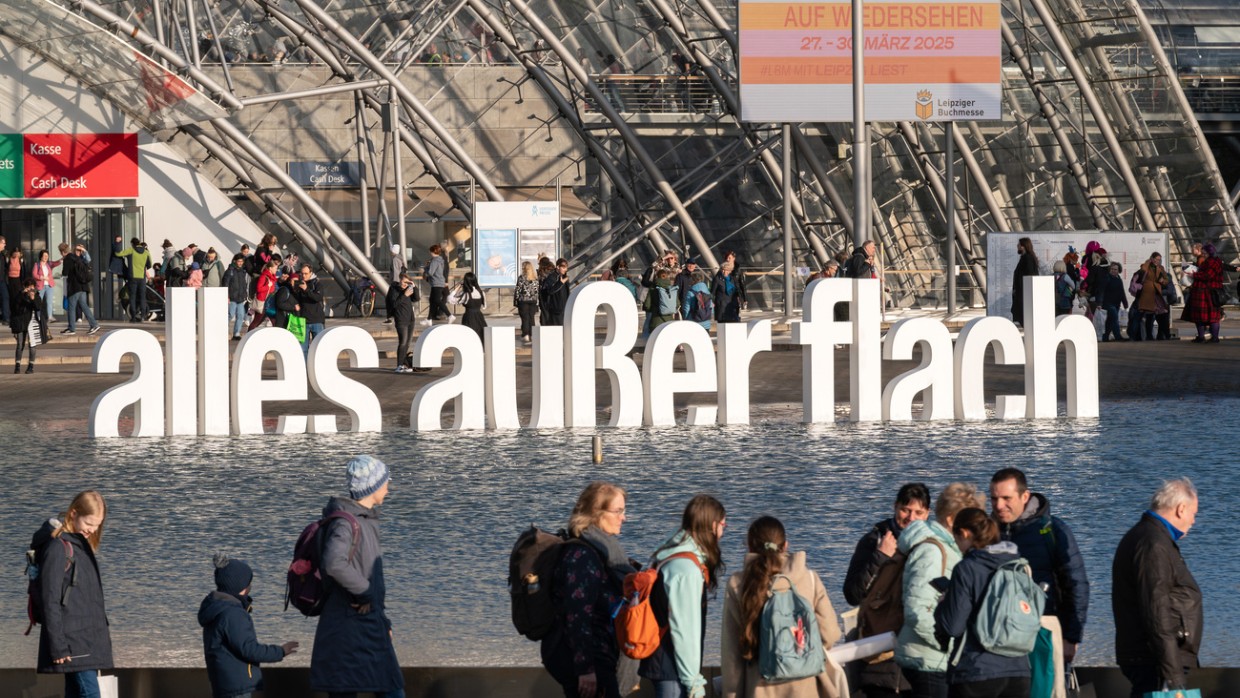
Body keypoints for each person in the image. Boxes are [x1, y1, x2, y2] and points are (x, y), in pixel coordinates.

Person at [310, 455, 405, 698]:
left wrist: (383, 622)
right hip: (349, 627)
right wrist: (365, 592)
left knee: (388, 687)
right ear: (372, 487)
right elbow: (334, 563)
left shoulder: (364, 519)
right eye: (385, 480)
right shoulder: (347, 523)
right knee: (388, 689)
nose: (388, 486)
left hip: (365, 623)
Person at [989, 468, 1088, 698]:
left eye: (1006, 498)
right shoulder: (987, 532)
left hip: (1043, 631)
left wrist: (1072, 638)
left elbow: (1077, 584)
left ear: (1025, 496)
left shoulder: (1053, 530)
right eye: (994, 498)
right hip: (997, 640)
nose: (999, 505)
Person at [720, 515, 843, 698]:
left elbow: (732, 656)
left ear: (749, 546)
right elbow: (831, 634)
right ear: (785, 545)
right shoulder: (809, 579)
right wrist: (798, 649)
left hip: (759, 689)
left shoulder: (738, 584)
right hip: (805, 687)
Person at [541, 482, 636, 698]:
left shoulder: (601, 551)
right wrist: (585, 670)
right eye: (618, 511)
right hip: (588, 659)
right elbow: (578, 615)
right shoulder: (582, 557)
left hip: (598, 654)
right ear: (596, 513)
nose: (624, 517)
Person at [1111, 478, 1201, 697]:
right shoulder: (1153, 544)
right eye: (1194, 514)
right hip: (1154, 659)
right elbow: (1156, 612)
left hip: (1154, 657)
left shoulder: (1151, 537)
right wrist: (1174, 675)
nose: (1193, 521)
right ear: (1181, 509)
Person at [896, 483, 985, 698]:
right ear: (952, 520)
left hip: (936, 660)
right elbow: (917, 610)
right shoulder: (933, 552)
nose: (976, 531)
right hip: (928, 661)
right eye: (972, 523)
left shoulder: (948, 549)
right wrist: (950, 645)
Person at [843, 483, 931, 697]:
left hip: (917, 661)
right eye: (905, 510)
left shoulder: (931, 546)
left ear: (927, 514)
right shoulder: (874, 541)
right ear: (895, 507)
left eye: (918, 512)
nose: (911, 518)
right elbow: (852, 595)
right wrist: (879, 557)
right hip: (878, 662)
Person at [932, 508, 1030, 698]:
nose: (957, 545)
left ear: (965, 534)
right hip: (1019, 670)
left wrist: (944, 603)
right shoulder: (1017, 565)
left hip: (977, 671)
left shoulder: (967, 568)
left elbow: (953, 627)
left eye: (956, 538)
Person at [639, 494, 727, 698]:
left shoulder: (671, 552)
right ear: (712, 526)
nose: (723, 531)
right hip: (672, 668)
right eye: (723, 525)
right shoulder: (685, 570)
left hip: (665, 662)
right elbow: (684, 629)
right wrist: (693, 682)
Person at [33, 490, 113, 698]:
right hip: (73, 643)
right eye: (89, 523)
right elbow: (49, 599)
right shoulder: (59, 548)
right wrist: (58, 646)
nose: (93, 530)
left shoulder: (78, 545)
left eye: (97, 525)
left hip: (85, 641)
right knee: (90, 694)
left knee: (77, 693)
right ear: (73, 514)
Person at [199, 554, 298, 698]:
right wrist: (280, 652)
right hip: (236, 686)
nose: (250, 587)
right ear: (241, 587)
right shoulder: (233, 614)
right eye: (248, 584)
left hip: (223, 683)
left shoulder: (217, 608)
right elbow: (249, 649)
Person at [1181, 242, 1224, 342]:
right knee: (1213, 316)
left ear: (1209, 252)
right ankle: (1214, 337)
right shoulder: (1216, 261)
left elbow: (1207, 276)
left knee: (1201, 316)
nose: (1203, 254)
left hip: (1205, 293)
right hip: (1211, 292)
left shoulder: (1211, 262)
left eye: (1205, 252)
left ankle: (1203, 337)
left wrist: (1194, 275)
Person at [60, 243, 100, 336]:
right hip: (83, 285)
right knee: (84, 305)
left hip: (75, 286)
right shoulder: (77, 258)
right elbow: (87, 261)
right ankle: (94, 324)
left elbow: (65, 272)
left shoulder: (68, 259)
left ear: (62, 252)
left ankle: (71, 328)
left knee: (71, 307)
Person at [113, 236, 152, 322]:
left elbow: (118, 254)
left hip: (132, 277)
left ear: (132, 244)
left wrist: (117, 243)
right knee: (142, 297)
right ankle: (142, 316)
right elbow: (150, 265)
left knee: (133, 297)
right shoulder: (146, 252)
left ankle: (133, 317)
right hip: (142, 278)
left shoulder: (131, 250)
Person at [1131, 252, 1168, 341]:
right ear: (1152, 258)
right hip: (1146, 294)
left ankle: (1150, 336)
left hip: (1156, 294)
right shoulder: (1146, 265)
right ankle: (1135, 336)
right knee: (1140, 316)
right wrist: (1148, 262)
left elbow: (1166, 281)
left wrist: (1162, 280)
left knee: (1152, 317)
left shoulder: (1161, 268)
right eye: (1156, 259)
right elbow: (1143, 270)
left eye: (1159, 260)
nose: (1157, 261)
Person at [10, 279, 43, 374]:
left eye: (32, 286)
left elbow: (38, 307)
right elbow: (15, 307)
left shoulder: (37, 295)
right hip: (21, 322)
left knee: (32, 345)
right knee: (20, 344)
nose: (30, 289)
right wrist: (21, 294)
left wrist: (32, 299)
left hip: (32, 323)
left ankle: (31, 366)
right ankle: (17, 365)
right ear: (25, 287)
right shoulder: (19, 295)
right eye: (28, 287)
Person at [387, 272, 417, 373]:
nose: (405, 284)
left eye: (407, 282)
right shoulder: (394, 289)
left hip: (411, 319)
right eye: (403, 282)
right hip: (401, 320)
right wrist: (404, 295)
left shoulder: (408, 289)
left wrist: (414, 288)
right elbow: (394, 304)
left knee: (408, 343)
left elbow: (416, 298)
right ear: (400, 280)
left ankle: (404, 364)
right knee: (403, 342)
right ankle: (399, 365)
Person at [293, 264, 326, 353]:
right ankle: (304, 366)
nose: (303, 276)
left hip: (316, 320)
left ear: (311, 273)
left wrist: (306, 289)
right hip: (303, 321)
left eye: (306, 274)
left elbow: (317, 298)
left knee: (319, 348)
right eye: (302, 274)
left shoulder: (317, 284)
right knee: (302, 349)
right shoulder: (299, 284)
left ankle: (317, 366)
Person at [1011, 237, 1039, 327]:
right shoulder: (1025, 258)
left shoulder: (1027, 259)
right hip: (1022, 293)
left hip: (1023, 294)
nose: (1017, 246)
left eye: (1019, 245)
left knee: (1020, 314)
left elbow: (1030, 275)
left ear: (1024, 246)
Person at [642, 269, 678, 339]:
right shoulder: (671, 289)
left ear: (657, 277)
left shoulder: (653, 289)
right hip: (669, 320)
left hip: (656, 320)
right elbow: (677, 303)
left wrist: (652, 309)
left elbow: (647, 305)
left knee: (656, 341)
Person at [222, 254, 250, 340]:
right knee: (230, 315)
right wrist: (227, 296)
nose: (240, 263)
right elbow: (225, 283)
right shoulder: (230, 271)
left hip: (240, 298)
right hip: (232, 297)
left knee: (241, 315)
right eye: (239, 261)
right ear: (235, 261)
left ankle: (236, 333)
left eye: (242, 261)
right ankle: (223, 331)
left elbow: (243, 284)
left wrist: (245, 294)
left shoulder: (242, 271)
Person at [1099, 262, 1129, 342]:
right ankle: (1118, 336)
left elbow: (1122, 292)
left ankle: (1105, 337)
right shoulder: (1106, 278)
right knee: (1115, 318)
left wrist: (1125, 303)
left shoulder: (1119, 279)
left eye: (1115, 269)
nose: (1113, 271)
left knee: (1110, 320)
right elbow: (1101, 291)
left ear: (1118, 270)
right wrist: (1099, 303)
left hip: (1116, 303)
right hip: (1108, 303)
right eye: (1112, 269)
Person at [423, 243, 451, 326]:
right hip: (438, 282)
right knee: (432, 300)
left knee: (436, 300)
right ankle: (429, 319)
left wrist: (426, 267)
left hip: (437, 283)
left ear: (433, 251)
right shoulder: (440, 259)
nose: (429, 253)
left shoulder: (435, 260)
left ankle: (449, 315)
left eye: (430, 252)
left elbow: (431, 272)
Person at [248, 260, 279, 331]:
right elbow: (259, 289)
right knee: (256, 322)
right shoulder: (264, 277)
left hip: (269, 303)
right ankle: (248, 335)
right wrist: (268, 286)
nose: (276, 270)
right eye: (275, 268)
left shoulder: (272, 277)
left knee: (274, 321)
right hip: (263, 303)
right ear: (270, 268)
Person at [32, 250, 61, 323]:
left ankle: (50, 317)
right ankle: (37, 317)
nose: (46, 257)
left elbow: (56, 263)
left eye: (47, 256)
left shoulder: (49, 264)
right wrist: (42, 277)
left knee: (49, 302)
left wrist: (62, 259)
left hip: (49, 285)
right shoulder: (37, 264)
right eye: (44, 256)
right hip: (40, 286)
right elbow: (34, 275)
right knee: (39, 302)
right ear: (41, 256)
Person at [540, 258, 571, 326]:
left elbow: (566, 292)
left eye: (566, 268)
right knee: (557, 329)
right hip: (555, 309)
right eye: (563, 267)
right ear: (558, 267)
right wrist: (560, 283)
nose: (565, 269)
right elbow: (549, 291)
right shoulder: (552, 277)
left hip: (563, 308)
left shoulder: (564, 277)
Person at [515, 261, 540, 344]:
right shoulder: (535, 278)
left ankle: (526, 334)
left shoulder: (521, 278)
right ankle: (532, 334)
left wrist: (516, 300)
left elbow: (518, 290)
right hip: (533, 301)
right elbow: (537, 291)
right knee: (531, 318)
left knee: (525, 318)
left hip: (523, 300)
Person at [459, 271, 487, 340]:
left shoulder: (465, 293)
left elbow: (451, 299)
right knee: (481, 335)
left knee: (469, 335)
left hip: (469, 316)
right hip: (479, 317)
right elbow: (484, 307)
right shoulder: (481, 292)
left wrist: (458, 287)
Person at [0, 235, 10, 322]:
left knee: (5, 297)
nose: (5, 245)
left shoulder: (3, 255)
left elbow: (6, 267)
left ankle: (6, 317)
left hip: (2, 280)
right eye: (3, 243)